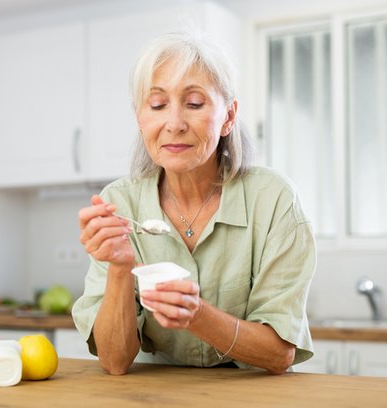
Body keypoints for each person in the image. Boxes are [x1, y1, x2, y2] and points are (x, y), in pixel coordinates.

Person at [72, 27, 316, 375]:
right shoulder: (119, 203)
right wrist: (120, 269)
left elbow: (279, 355)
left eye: (194, 104)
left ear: (228, 117)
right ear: (140, 119)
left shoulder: (273, 200)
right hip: (153, 397)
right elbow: (113, 361)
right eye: (157, 105)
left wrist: (197, 316)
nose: (174, 123)